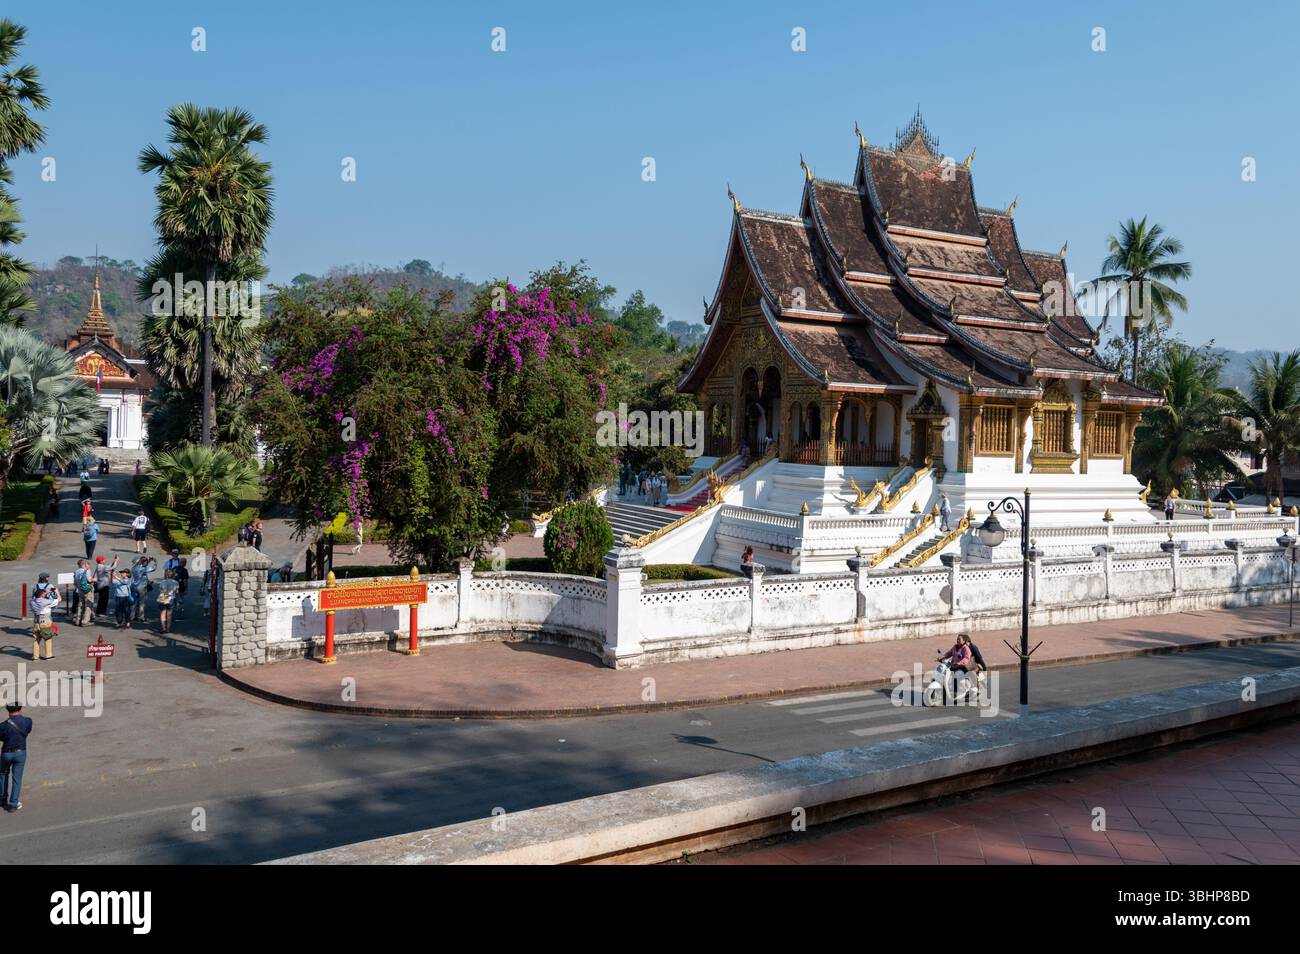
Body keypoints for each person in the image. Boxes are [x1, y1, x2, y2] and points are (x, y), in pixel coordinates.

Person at [0, 704, 32, 812]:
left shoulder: (3, 726)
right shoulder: (27, 721)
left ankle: (2, 799)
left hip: (6, 754)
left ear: (8, 711)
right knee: (16, 778)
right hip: (20, 753)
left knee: (3, 775)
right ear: (20, 709)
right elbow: (27, 731)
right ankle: (13, 803)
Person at [29, 576, 59, 661]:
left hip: (36, 621)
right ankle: (48, 655)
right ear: (42, 594)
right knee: (47, 638)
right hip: (45, 621)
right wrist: (57, 592)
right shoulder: (46, 602)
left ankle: (35, 657)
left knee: (36, 639)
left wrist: (46, 592)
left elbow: (38, 597)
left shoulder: (31, 602)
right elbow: (58, 599)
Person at [130, 556, 155, 623]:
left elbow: (144, 566)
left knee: (135, 602)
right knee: (142, 603)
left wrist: (149, 561)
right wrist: (155, 561)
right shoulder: (141, 569)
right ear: (139, 562)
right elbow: (153, 568)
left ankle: (132, 616)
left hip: (134, 586)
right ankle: (141, 617)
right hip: (141, 587)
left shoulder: (133, 568)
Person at [155, 569, 179, 633]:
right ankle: (168, 629)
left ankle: (163, 628)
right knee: (169, 614)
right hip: (171, 598)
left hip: (163, 598)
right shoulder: (175, 582)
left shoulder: (162, 582)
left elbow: (160, 590)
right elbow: (177, 591)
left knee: (162, 613)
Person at [72, 559, 94, 626]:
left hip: (80, 590)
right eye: (87, 564)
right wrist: (95, 579)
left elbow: (75, 583)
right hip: (87, 590)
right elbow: (89, 580)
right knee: (88, 605)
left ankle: (78, 620)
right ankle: (85, 621)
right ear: (84, 564)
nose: (88, 565)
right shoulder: (86, 571)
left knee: (80, 605)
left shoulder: (76, 571)